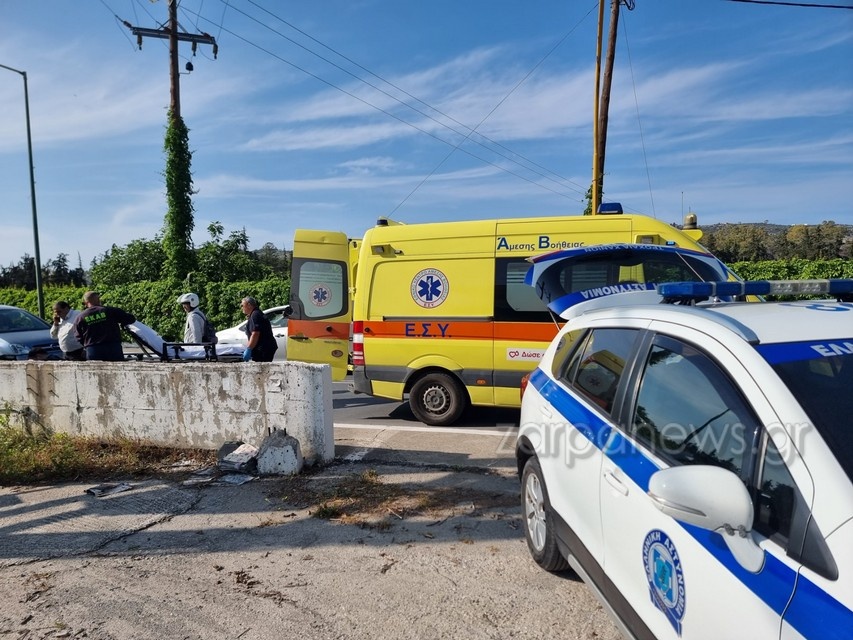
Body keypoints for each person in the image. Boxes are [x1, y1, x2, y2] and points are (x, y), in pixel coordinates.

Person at [74, 291, 136, 362]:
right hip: (113, 348)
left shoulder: (80, 317)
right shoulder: (110, 311)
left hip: (93, 349)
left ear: (85, 303)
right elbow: (130, 319)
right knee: (117, 368)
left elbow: (78, 336)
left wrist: (88, 343)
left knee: (95, 368)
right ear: (99, 300)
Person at [240, 296, 277, 362]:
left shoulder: (255, 315)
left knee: (262, 367)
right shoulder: (256, 313)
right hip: (266, 347)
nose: (242, 307)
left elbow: (255, 333)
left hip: (263, 348)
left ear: (249, 305)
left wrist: (249, 348)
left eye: (242, 305)